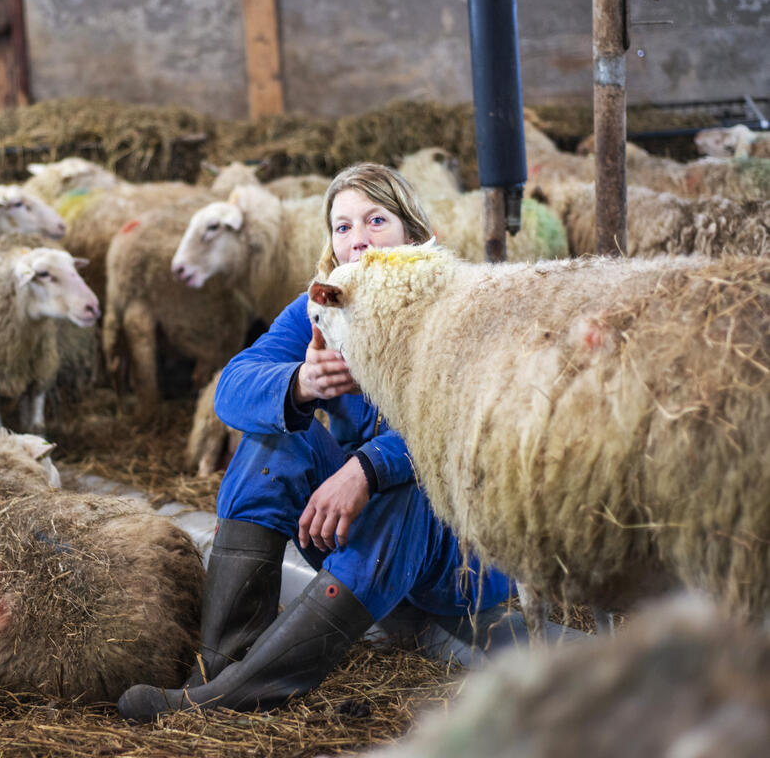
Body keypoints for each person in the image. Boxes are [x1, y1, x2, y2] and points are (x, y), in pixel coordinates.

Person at [118, 163, 515, 722]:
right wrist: (300, 385)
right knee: (272, 443)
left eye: (376, 221)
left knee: (408, 486)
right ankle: (220, 666)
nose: (358, 241)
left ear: (413, 232)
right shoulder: (324, 309)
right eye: (343, 226)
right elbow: (231, 389)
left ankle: (235, 699)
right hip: (363, 560)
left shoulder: (458, 307)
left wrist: (367, 469)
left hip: (460, 567)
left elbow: (467, 422)